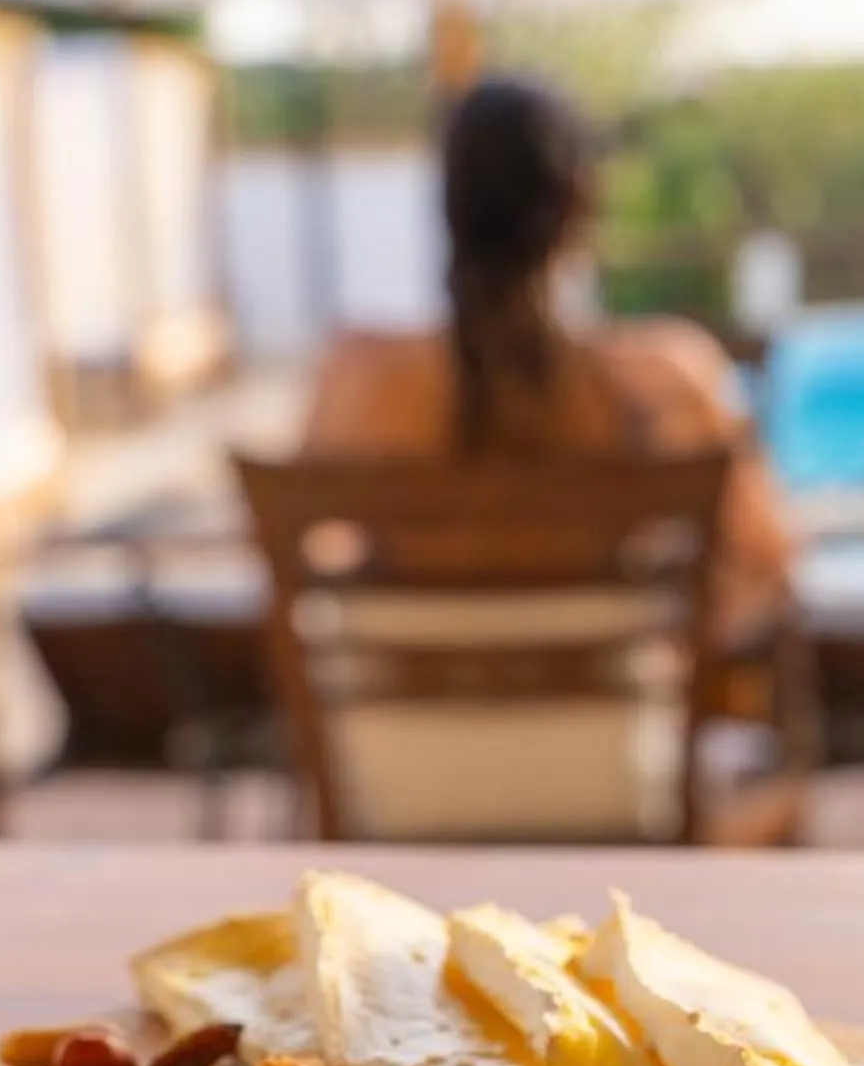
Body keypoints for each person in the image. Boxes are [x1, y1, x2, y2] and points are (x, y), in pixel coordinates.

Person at [301, 74, 798, 645]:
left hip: (389, 731)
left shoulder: (363, 379)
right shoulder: (665, 377)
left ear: (448, 207)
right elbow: (768, 563)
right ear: (581, 204)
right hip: (613, 730)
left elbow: (312, 568)